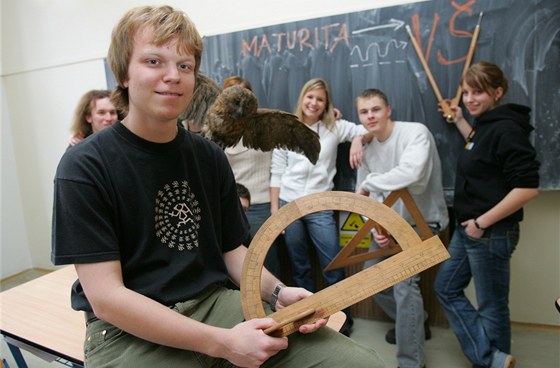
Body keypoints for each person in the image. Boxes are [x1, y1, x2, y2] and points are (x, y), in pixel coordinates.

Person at [51, 5, 383, 367]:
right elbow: (107, 298)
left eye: (184, 66)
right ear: (124, 74)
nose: (172, 76)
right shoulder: (84, 166)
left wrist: (279, 292)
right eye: (153, 62)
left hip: (213, 304)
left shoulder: (208, 157)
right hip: (126, 331)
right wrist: (223, 343)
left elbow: (231, 251)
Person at [434, 61, 540, 368]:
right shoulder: (485, 125)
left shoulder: (507, 129)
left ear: (497, 92)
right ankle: (491, 359)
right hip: (468, 230)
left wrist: (482, 223)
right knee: (446, 288)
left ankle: (491, 360)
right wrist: (459, 121)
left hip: (488, 232)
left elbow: (527, 188)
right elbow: (479, 148)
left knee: (492, 306)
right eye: (466, 92)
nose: (469, 99)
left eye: (477, 92)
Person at [351, 88, 449, 368]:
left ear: (388, 110)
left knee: (403, 285)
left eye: (376, 110)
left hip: (424, 223)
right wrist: (375, 231)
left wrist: (370, 183)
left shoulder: (415, 133)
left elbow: (413, 175)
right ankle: (418, 323)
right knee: (373, 281)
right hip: (387, 227)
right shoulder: (366, 148)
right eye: (364, 112)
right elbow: (365, 200)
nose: (370, 116)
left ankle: (412, 363)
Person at [270, 78, 367, 336]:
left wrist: (358, 139)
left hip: (320, 204)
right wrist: (274, 211)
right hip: (289, 205)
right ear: (303, 98)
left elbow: (364, 129)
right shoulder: (286, 129)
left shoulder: (334, 127)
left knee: (332, 263)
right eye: (310, 97)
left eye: (320, 99)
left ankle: (342, 319)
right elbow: (276, 172)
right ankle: (309, 318)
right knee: (300, 267)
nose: (314, 103)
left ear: (326, 104)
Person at [223, 76, 283, 278]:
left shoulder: (266, 126)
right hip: (233, 207)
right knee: (237, 270)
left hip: (263, 205)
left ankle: (274, 309)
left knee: (269, 265)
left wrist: (331, 116)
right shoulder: (219, 131)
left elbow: (302, 120)